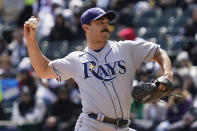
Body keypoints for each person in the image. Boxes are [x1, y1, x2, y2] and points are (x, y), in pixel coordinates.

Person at [24, 7, 173, 131]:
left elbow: (158, 52)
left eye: (107, 22)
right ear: (86, 28)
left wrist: (168, 74)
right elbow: (43, 70)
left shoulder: (125, 48)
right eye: (100, 22)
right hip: (92, 125)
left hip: (123, 126)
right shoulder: (76, 59)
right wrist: (31, 42)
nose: (105, 26)